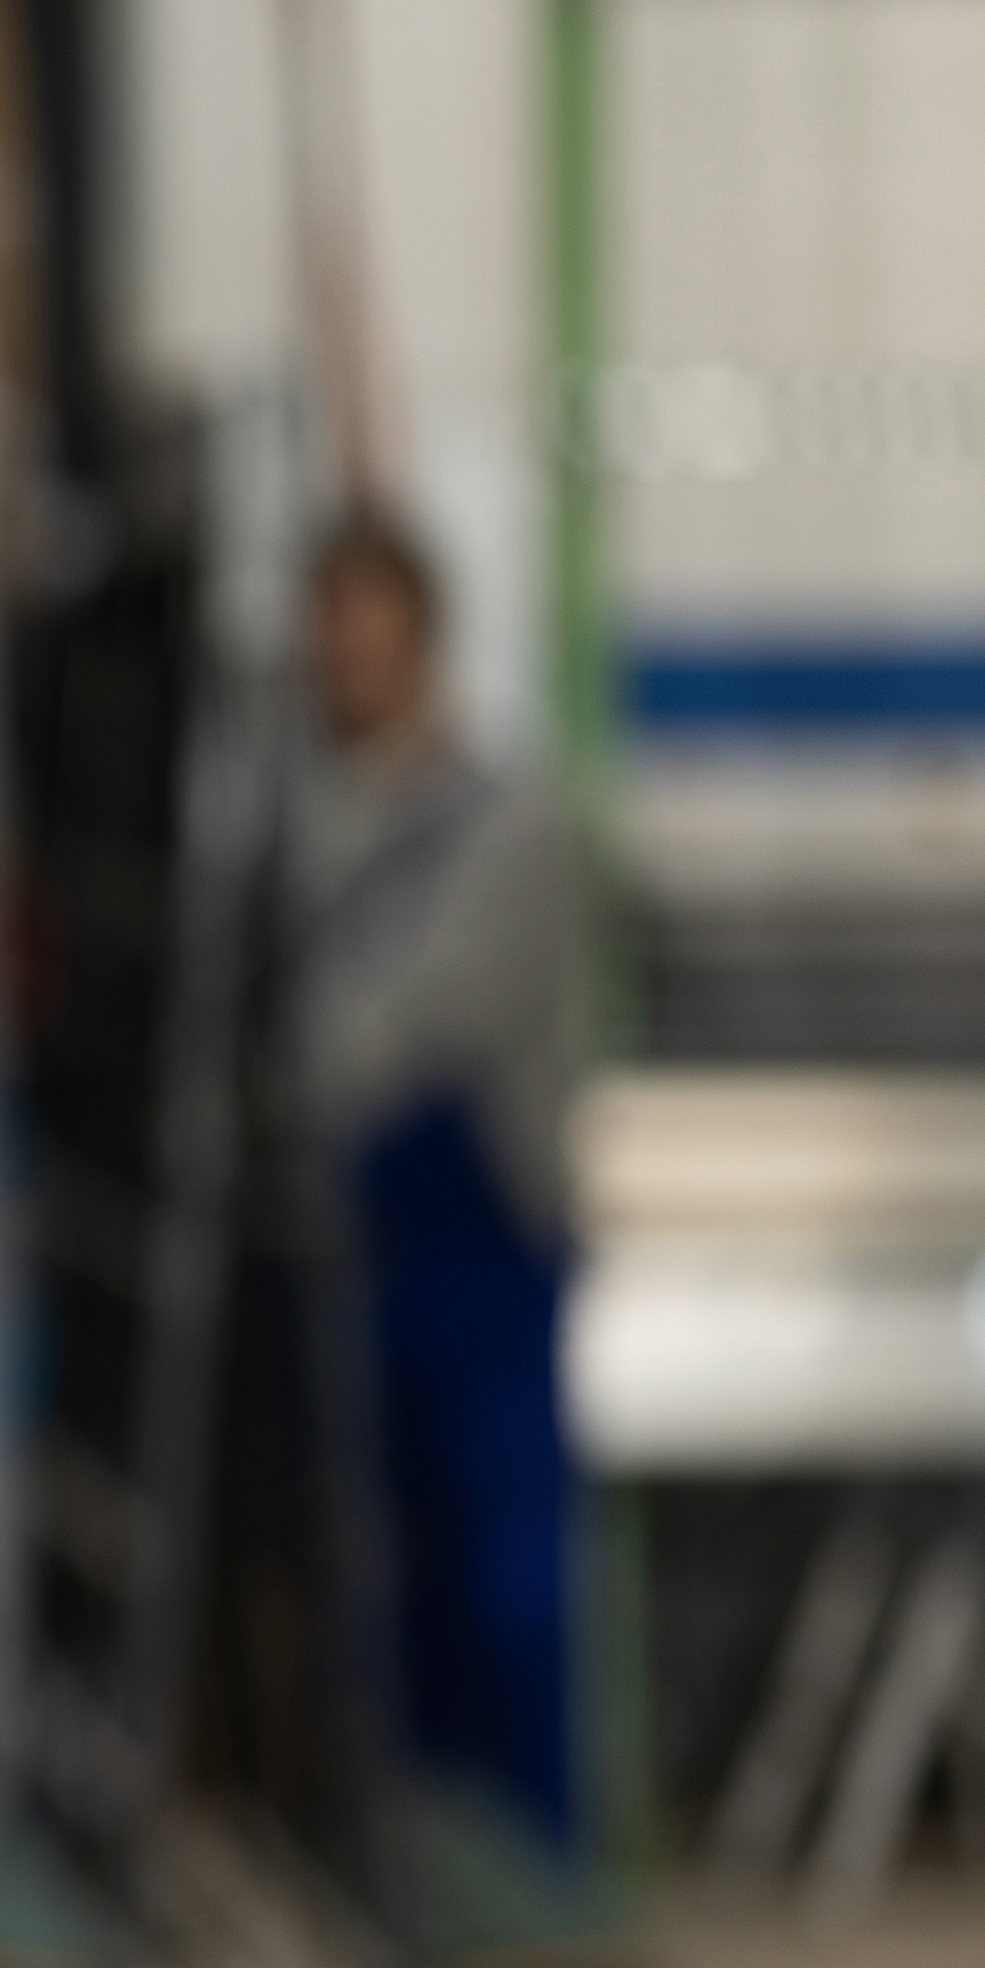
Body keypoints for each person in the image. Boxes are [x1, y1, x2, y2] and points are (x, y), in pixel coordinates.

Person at [279, 510, 586, 1850]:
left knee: (507, 1595)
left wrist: (255, 1074)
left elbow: (397, 1028)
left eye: (372, 642)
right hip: (365, 1258)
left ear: (424, 645)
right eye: (330, 644)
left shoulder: (506, 827)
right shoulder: (301, 824)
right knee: (391, 1604)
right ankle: (442, 1900)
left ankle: (542, 1896)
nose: (349, 667)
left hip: (483, 1258)